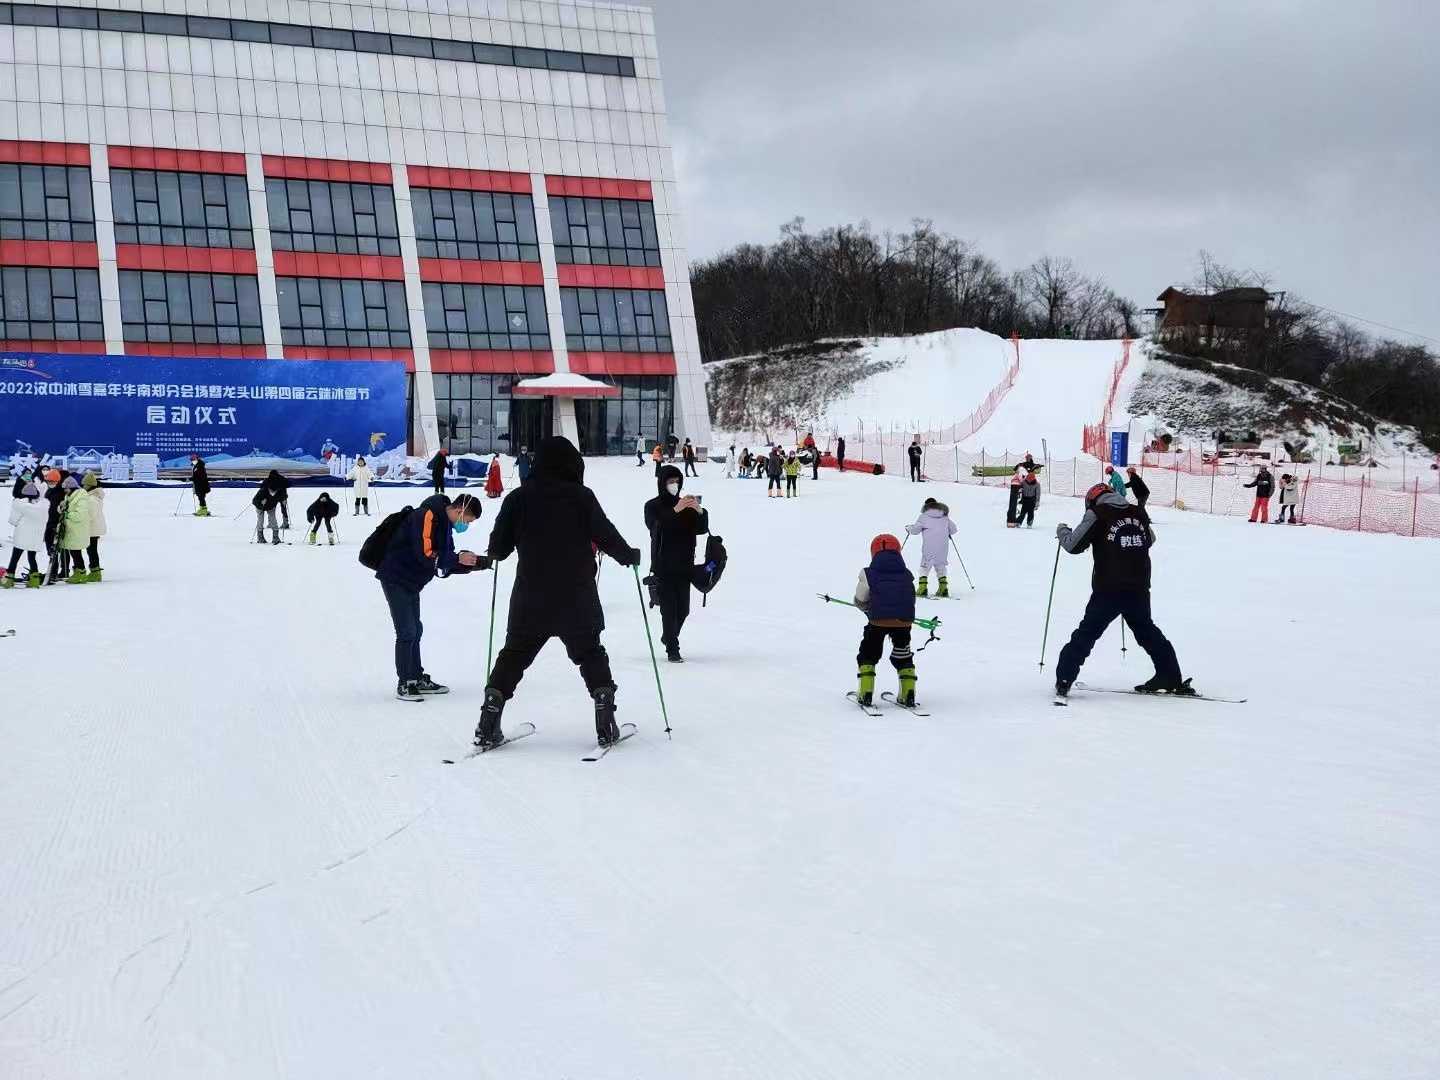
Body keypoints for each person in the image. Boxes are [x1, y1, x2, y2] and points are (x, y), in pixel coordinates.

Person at [475, 437, 641, 750]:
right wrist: (628, 555)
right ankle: (605, 714)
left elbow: (498, 549)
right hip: (576, 596)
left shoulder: (518, 498)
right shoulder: (581, 497)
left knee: (513, 655)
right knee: (591, 652)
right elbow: (605, 534)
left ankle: (489, 718)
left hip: (530, 598)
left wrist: (497, 549)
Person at [1053, 484, 1189, 698]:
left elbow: (1072, 545)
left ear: (1092, 500)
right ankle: (1169, 675)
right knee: (1148, 632)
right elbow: (1149, 539)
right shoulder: (1136, 511)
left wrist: (1062, 530)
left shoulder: (1097, 513)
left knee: (1086, 634)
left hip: (1109, 588)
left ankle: (1064, 678)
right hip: (1139, 586)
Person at [375, 492, 484, 701]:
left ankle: (416, 677)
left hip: (412, 581)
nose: (466, 526)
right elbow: (426, 554)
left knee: (416, 628)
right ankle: (405, 683)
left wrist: (475, 564)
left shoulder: (446, 526)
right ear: (460, 511)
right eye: (468, 521)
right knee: (406, 631)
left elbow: (446, 561)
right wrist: (455, 558)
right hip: (395, 576)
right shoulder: (426, 515)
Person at [644, 463, 710, 663]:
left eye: (677, 481)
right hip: (663, 566)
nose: (674, 485)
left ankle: (668, 636)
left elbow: (701, 529)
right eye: (670, 481)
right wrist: (675, 510)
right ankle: (673, 648)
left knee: (683, 610)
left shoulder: (685, 505)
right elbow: (655, 527)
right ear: (662, 483)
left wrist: (699, 510)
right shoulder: (652, 506)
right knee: (668, 610)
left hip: (685, 565)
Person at [853, 534, 917, 707]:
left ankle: (866, 691)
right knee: (902, 654)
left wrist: (868, 609)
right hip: (904, 622)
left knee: (868, 653)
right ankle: (908, 692)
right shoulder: (907, 574)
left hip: (877, 622)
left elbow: (860, 600)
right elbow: (911, 597)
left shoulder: (868, 573)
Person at [906, 497, 957, 598]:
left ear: (926, 506)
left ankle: (922, 588)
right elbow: (954, 529)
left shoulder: (924, 517)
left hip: (929, 547)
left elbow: (915, 530)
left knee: (924, 567)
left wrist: (908, 528)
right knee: (940, 565)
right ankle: (943, 589)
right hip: (943, 547)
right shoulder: (944, 517)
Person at [2, 481, 46, 589]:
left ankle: (8, 580)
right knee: (32, 558)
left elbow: (13, 521)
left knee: (15, 558)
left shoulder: (19, 504)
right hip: (35, 536)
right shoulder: (41, 506)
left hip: (22, 535)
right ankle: (34, 580)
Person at [56, 476, 92, 584]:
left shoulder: (81, 497)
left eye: (66, 488)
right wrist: (61, 508)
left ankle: (80, 574)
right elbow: (64, 510)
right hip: (71, 530)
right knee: (74, 552)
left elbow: (80, 515)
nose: (64, 491)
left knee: (76, 552)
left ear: (71, 488)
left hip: (77, 530)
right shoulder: (70, 497)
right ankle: (78, 573)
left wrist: (67, 514)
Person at [82, 472, 106, 582]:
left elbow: (90, 514)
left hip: (92, 528)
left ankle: (95, 572)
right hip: (94, 527)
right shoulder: (94, 496)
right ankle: (95, 571)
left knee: (91, 551)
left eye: (84, 485)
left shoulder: (92, 498)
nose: (83, 487)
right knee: (91, 550)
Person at [252, 478, 283, 545]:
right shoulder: (262, 491)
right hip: (260, 507)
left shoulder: (279, 491)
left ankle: (276, 537)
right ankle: (260, 537)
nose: (273, 492)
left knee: (273, 520)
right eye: (271, 490)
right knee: (261, 520)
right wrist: (260, 504)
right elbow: (254, 501)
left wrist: (283, 500)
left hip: (271, 506)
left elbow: (282, 496)